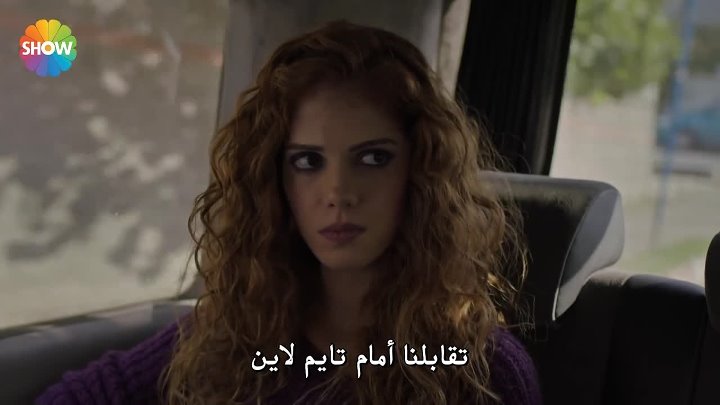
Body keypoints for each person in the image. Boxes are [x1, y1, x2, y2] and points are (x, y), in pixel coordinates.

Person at [36, 20, 541, 405]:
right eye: (308, 162)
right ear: (275, 182)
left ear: (420, 174)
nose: (338, 192)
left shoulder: (478, 368)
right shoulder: (241, 333)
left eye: (373, 159)